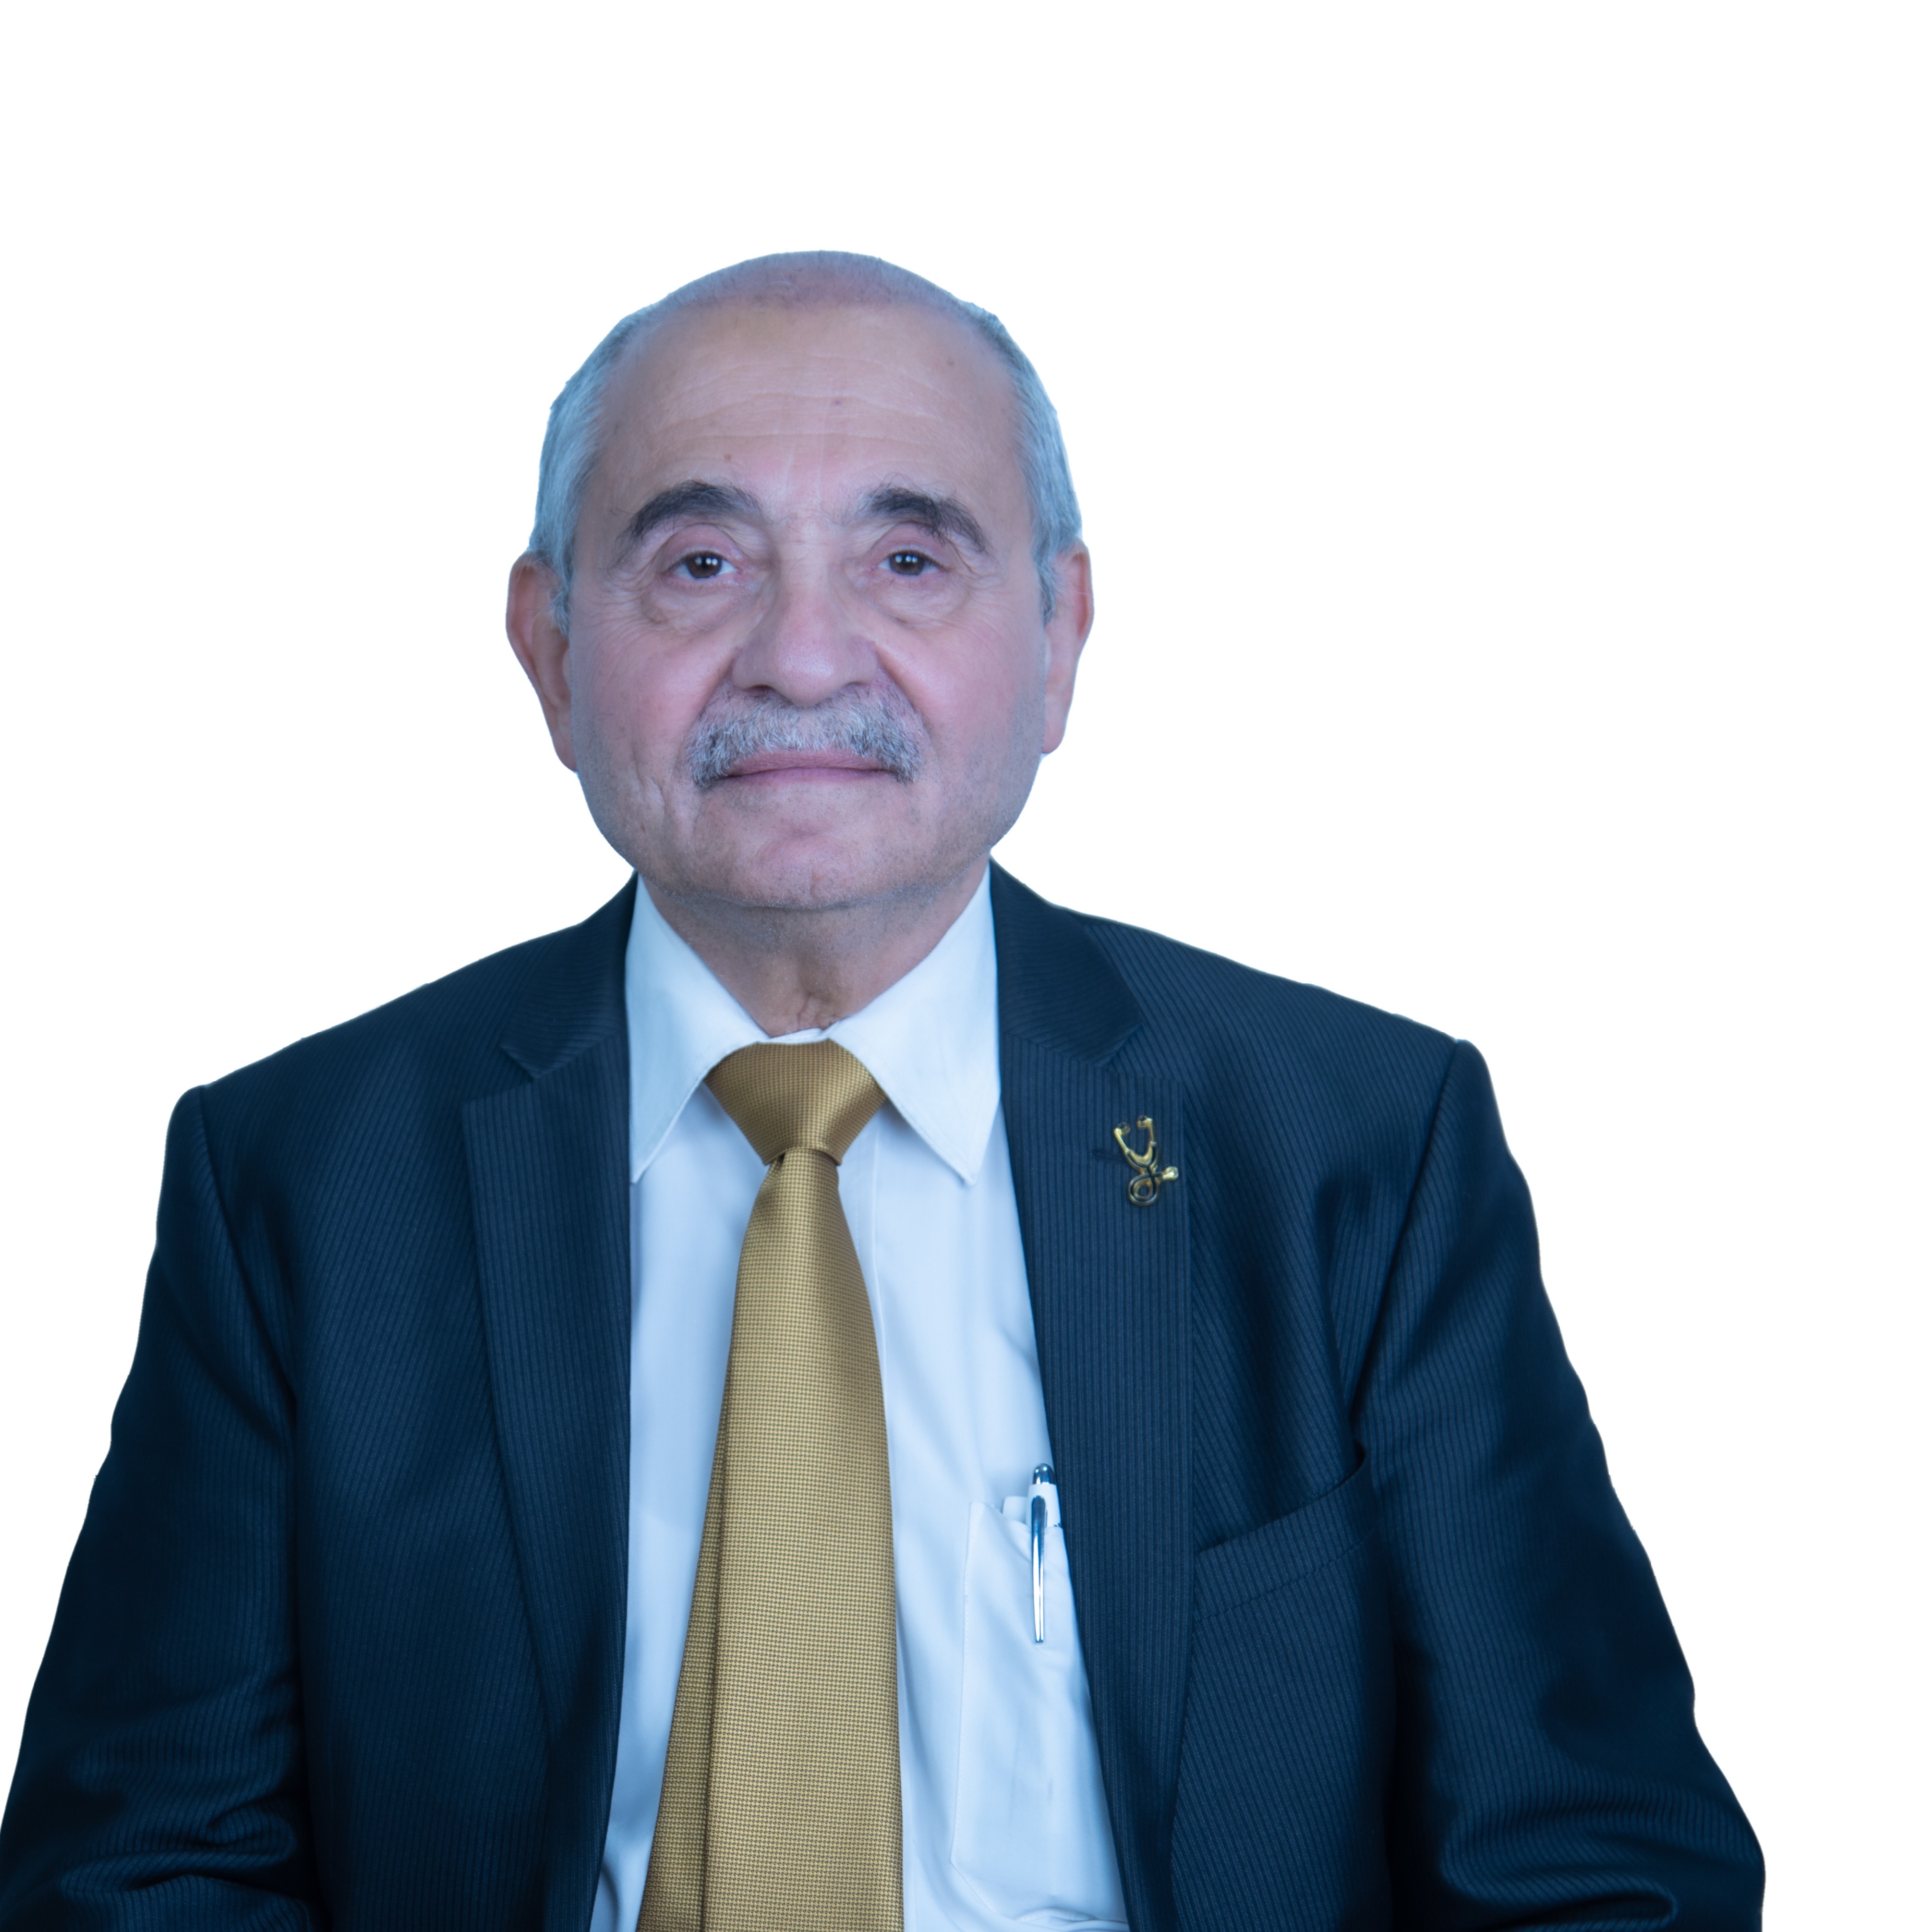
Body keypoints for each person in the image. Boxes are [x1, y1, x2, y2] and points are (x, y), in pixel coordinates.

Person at [0, 253, 1763, 1931]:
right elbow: (144, 1863)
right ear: (550, 648)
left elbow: (1595, 1868)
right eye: (701, 562)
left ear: (1060, 637)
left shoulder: (1356, 1150)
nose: (804, 657)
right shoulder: (305, 1181)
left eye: (909, 560)